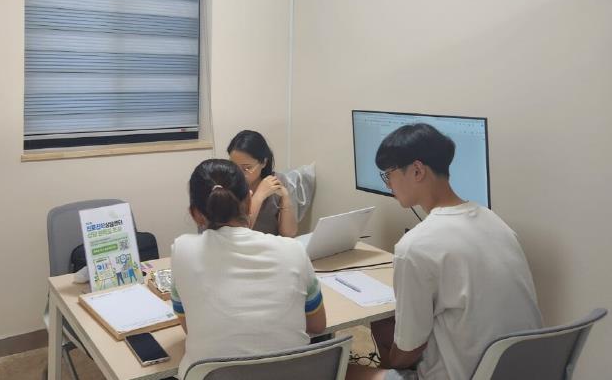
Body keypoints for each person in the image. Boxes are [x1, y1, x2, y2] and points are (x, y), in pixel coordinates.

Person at [346, 124, 542, 380]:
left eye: (389, 174)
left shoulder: (414, 246)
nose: (389, 184)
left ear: (417, 171)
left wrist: (393, 363)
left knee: (337, 371)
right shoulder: (495, 222)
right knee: (386, 326)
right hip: (526, 370)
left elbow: (409, 349)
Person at [170, 159, 326, 378]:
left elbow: (191, 329)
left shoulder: (182, 250)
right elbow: (318, 326)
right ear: (250, 200)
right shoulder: (294, 250)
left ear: (195, 214)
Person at [227, 130, 298, 237]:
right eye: (233, 166)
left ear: (264, 162)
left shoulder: (277, 180)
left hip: (269, 245)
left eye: (246, 168)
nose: (238, 173)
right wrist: (259, 196)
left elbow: (289, 234)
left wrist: (285, 198)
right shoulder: (227, 185)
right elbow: (238, 234)